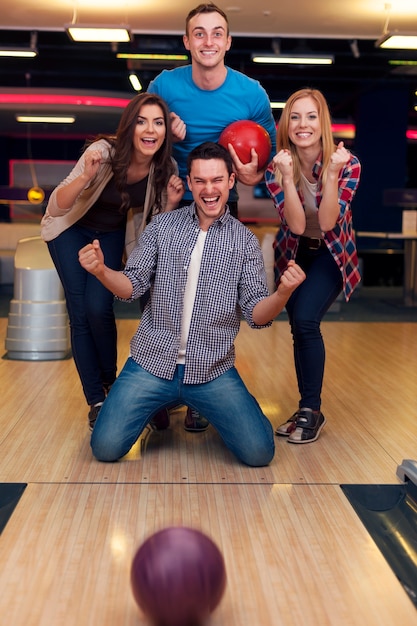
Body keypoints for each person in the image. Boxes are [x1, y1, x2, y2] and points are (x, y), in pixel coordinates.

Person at [78, 142, 305, 467]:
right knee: (105, 447)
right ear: (190, 182)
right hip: (150, 364)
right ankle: (154, 407)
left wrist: (282, 294)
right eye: (200, 181)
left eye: (216, 180)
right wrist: (101, 270)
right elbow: (131, 287)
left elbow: (257, 315)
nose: (208, 189)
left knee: (259, 453)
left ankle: (203, 410)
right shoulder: (163, 227)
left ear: (230, 181)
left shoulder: (244, 242)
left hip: (213, 371)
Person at [148, 1, 277, 431]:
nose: (208, 41)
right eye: (199, 33)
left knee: (215, 300)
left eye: (216, 32)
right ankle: (159, 386)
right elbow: (142, 131)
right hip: (172, 197)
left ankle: (202, 389)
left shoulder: (251, 94)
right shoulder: (164, 85)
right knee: (157, 295)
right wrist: (167, 129)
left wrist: (252, 172)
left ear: (228, 41)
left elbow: (268, 160)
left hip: (223, 199)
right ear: (187, 42)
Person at [41, 93, 184, 431]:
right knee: (79, 310)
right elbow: (57, 205)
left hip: (109, 234)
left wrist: (172, 203)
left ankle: (111, 384)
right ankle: (97, 398)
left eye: (158, 122)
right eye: (142, 121)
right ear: (130, 126)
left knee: (99, 307)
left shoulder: (166, 169)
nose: (150, 130)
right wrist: (85, 177)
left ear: (165, 131)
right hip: (70, 229)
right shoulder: (102, 152)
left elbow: (154, 232)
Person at [264, 88, 361, 444]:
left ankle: (311, 409)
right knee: (298, 327)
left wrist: (332, 175)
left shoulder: (348, 164)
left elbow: (328, 221)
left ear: (323, 123)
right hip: (294, 251)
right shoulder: (277, 167)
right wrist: (287, 179)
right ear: (286, 124)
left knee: (306, 320)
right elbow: (297, 226)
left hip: (331, 254)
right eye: (295, 116)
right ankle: (308, 408)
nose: (303, 124)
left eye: (311, 116)